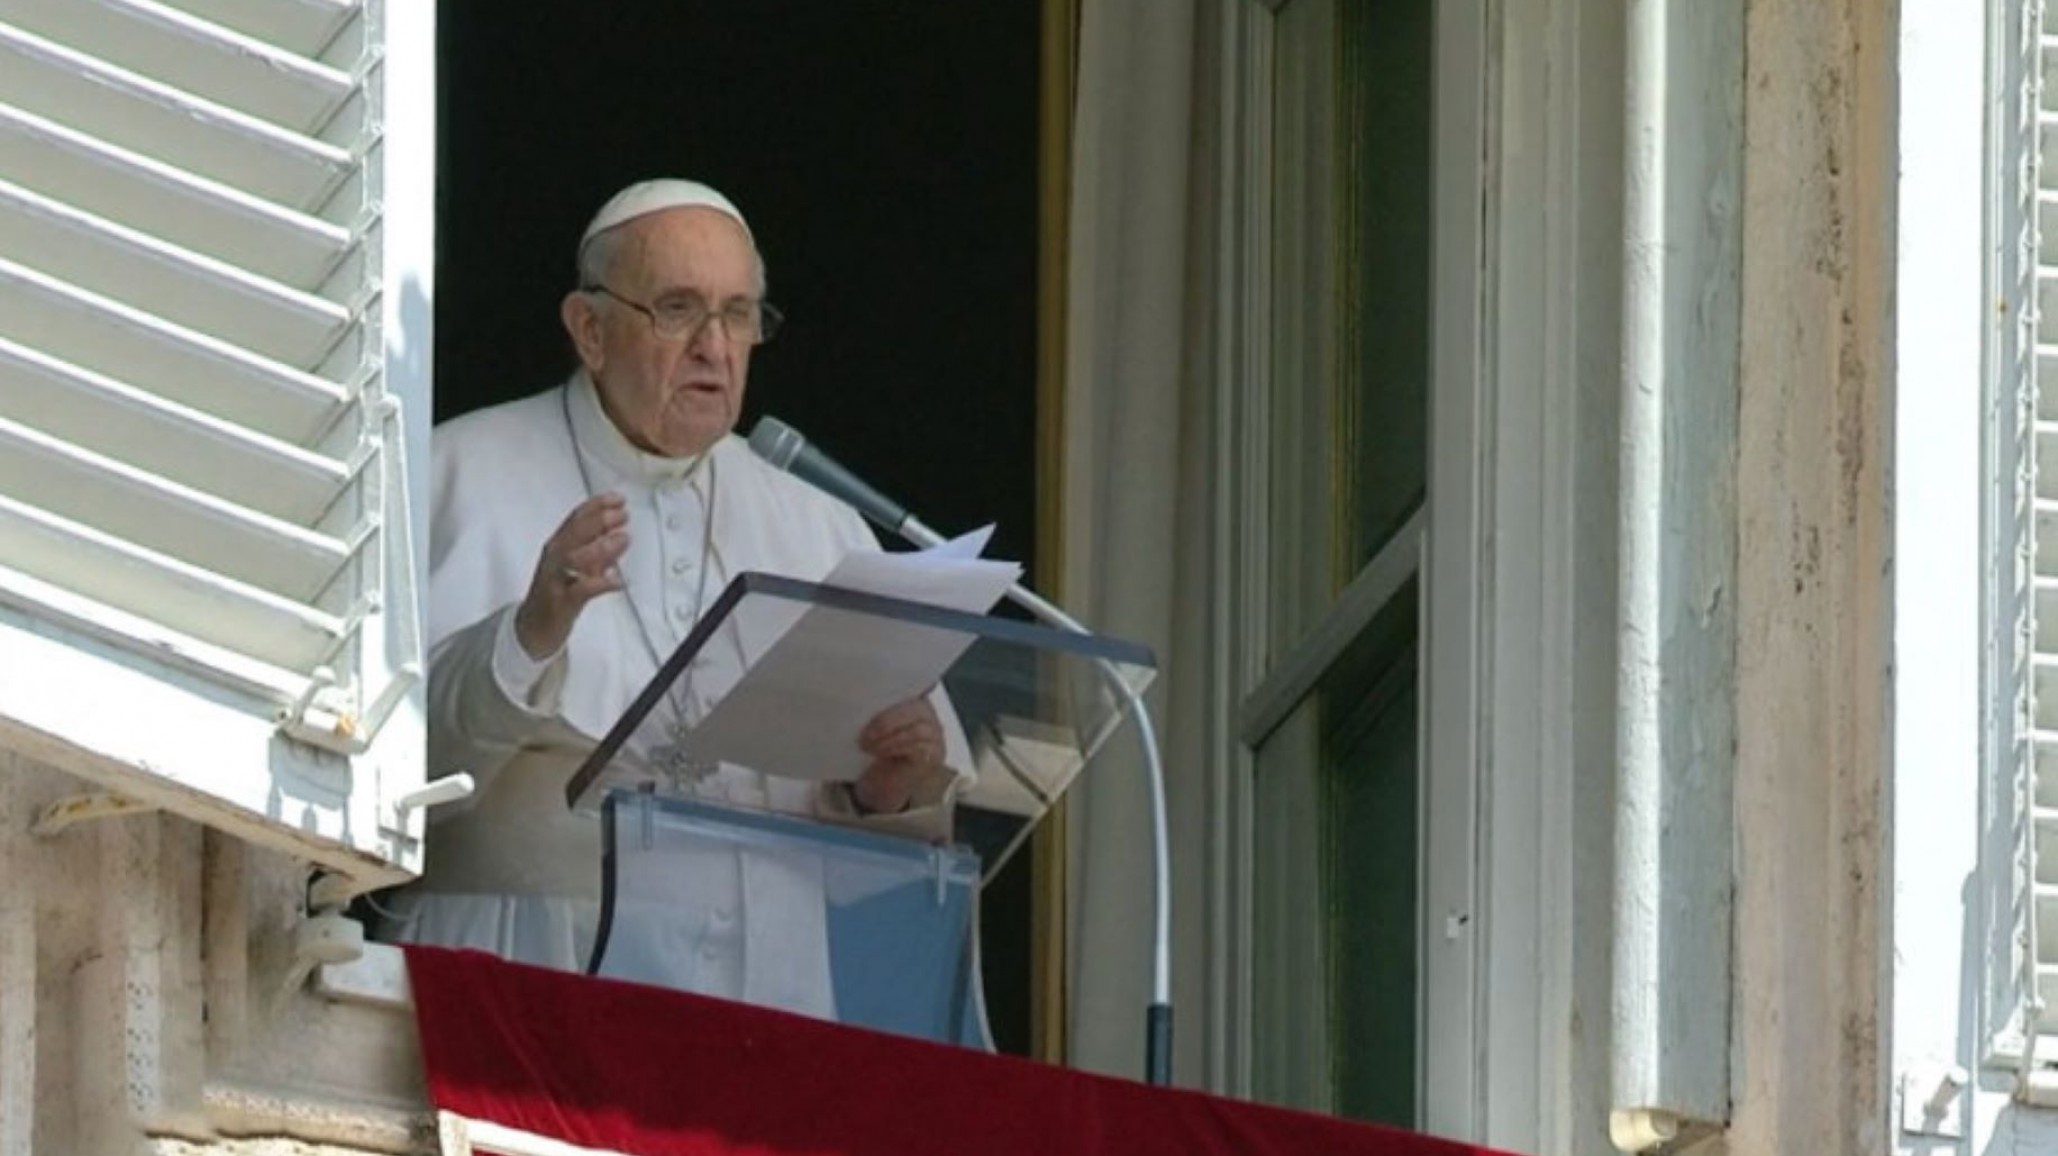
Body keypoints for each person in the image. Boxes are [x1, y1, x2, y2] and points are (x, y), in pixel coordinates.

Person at [381, 179, 970, 1020]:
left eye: (738, 314)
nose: (714, 347)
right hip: (532, 973)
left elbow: (886, 863)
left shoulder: (818, 522)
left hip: (771, 1001)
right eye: (678, 308)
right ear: (589, 329)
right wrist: (531, 633)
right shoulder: (455, 473)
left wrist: (888, 787)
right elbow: (393, 774)